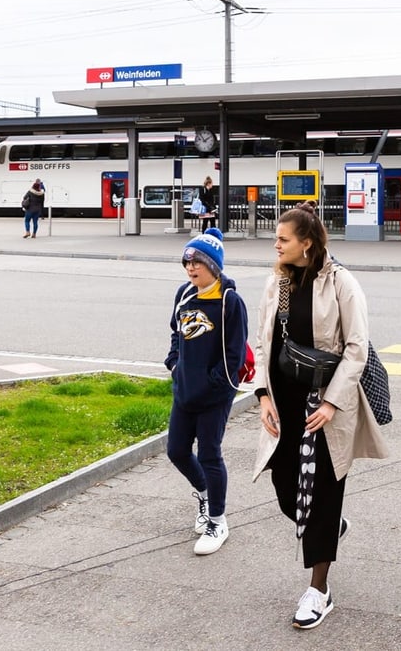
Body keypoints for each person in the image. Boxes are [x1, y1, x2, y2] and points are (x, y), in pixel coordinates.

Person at [252, 200, 389, 631]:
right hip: (284, 404)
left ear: (306, 244)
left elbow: (357, 348)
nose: (275, 245)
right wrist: (262, 396)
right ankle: (330, 527)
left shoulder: (343, 283)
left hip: (326, 408)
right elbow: (262, 342)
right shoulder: (279, 282)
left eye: (283, 239)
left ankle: (319, 589)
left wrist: (331, 402)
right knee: (282, 483)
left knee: (324, 495)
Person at [165, 228, 248, 556]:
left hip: (215, 394)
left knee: (210, 454)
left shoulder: (229, 301)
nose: (190, 268)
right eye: (186, 262)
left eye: (197, 262)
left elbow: (235, 353)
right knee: (177, 451)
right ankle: (203, 494)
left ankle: (217, 519)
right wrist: (174, 364)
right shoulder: (184, 295)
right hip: (184, 389)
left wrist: (216, 382)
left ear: (213, 265)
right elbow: (176, 332)